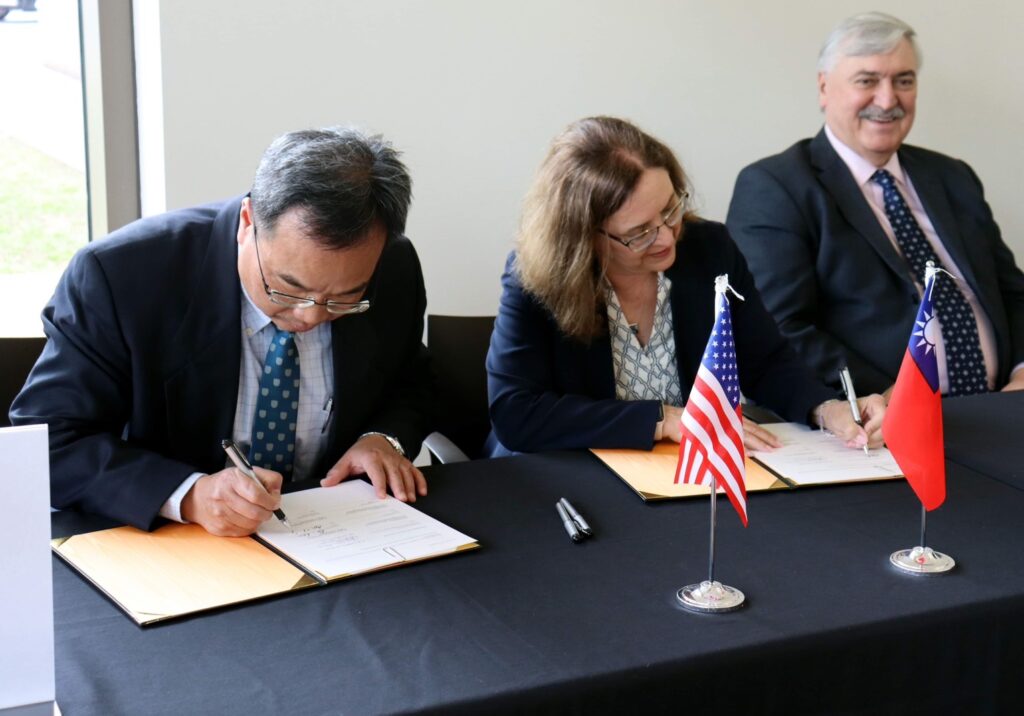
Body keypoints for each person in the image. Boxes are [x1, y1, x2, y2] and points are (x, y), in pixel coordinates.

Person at [11, 127, 434, 535]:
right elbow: (51, 443)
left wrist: (383, 439)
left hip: (333, 532)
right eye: (287, 288)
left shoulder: (392, 266)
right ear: (247, 223)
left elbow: (412, 383)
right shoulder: (122, 275)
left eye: (344, 297)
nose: (310, 316)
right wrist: (188, 495)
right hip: (172, 544)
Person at [485, 116, 884, 458]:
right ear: (584, 237)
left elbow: (765, 363)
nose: (666, 237)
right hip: (568, 477)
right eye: (639, 232)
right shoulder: (537, 277)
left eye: (670, 209)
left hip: (682, 473)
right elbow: (517, 413)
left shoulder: (709, 248)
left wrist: (825, 409)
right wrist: (663, 420)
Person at [727, 12, 1024, 398]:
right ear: (824, 88)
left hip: (1002, 405)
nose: (887, 100)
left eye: (904, 81)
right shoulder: (777, 187)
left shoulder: (953, 176)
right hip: (877, 415)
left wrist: (1021, 372)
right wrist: (889, 400)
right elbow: (777, 328)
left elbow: (1014, 294)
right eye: (867, 81)